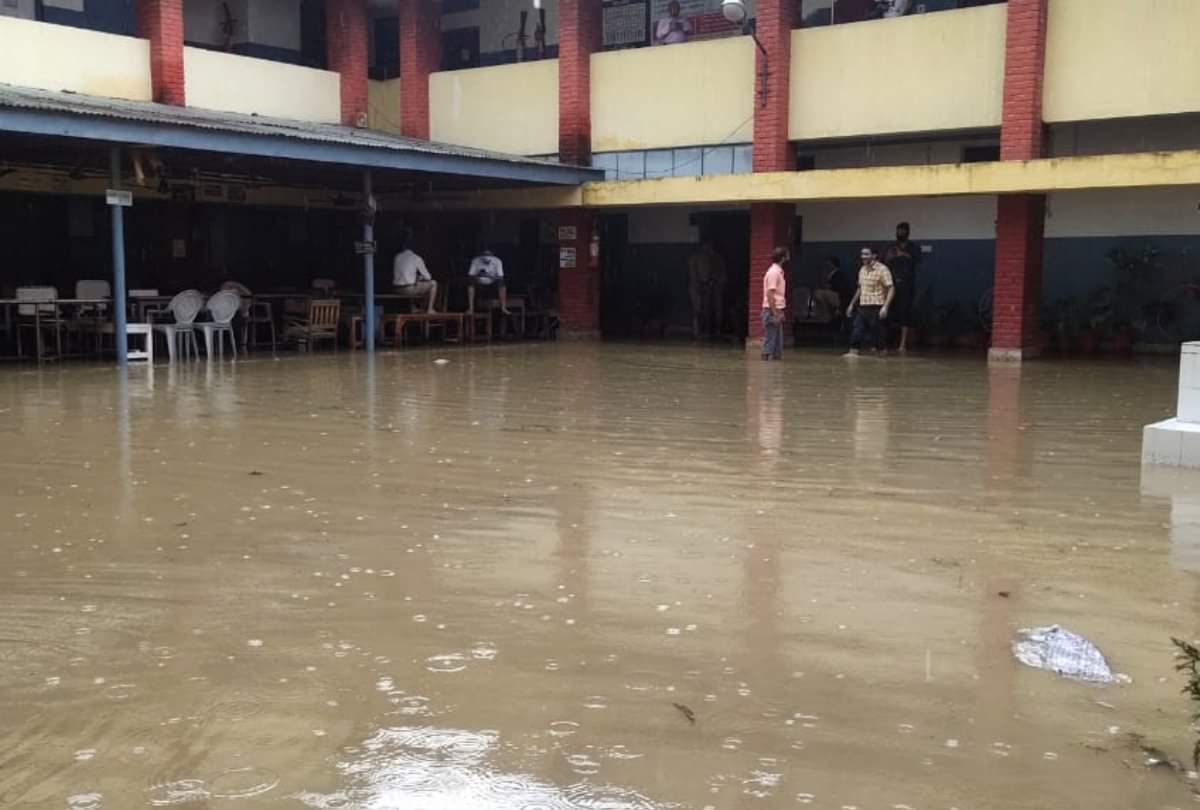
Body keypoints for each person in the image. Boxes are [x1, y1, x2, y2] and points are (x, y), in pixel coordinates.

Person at [845, 246, 894, 358]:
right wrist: (851, 304)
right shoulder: (862, 269)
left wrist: (885, 307)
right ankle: (853, 352)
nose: (863, 256)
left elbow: (891, 288)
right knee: (857, 329)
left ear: (874, 255)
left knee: (877, 333)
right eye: (862, 254)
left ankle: (882, 352)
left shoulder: (882, 269)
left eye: (866, 254)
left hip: (877, 305)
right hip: (863, 305)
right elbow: (860, 288)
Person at [884, 221, 919, 352]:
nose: (900, 233)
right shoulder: (892, 247)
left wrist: (903, 255)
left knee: (905, 313)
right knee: (888, 312)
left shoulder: (913, 247)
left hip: (907, 285)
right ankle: (884, 343)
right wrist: (893, 255)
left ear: (907, 233)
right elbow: (885, 259)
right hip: (891, 284)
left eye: (903, 231)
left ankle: (902, 344)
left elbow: (917, 261)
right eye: (898, 231)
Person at [688, 240, 727, 339]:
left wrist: (716, 283)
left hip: (713, 287)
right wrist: (700, 284)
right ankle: (699, 331)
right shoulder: (696, 258)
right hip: (699, 287)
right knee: (699, 309)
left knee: (714, 309)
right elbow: (693, 274)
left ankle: (714, 330)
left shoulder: (717, 258)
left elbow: (722, 274)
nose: (709, 249)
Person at [392, 237, 438, 314]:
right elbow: (428, 277)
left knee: (412, 281)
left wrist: (416, 277)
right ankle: (430, 309)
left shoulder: (397, 256)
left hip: (396, 289)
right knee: (433, 283)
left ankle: (413, 308)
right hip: (408, 290)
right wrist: (420, 277)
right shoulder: (416, 258)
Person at [761, 246, 788, 361]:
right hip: (771, 310)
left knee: (777, 344)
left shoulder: (778, 272)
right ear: (783, 257)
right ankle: (766, 365)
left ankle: (773, 370)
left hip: (775, 309)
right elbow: (770, 294)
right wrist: (775, 313)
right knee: (770, 342)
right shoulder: (774, 273)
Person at [467, 247, 509, 315]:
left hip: (492, 281)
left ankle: (503, 307)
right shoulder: (475, 260)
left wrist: (489, 276)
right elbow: (470, 275)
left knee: (502, 283)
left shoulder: (497, 261)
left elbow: (501, 277)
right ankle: (470, 308)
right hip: (479, 281)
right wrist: (478, 276)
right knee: (470, 283)